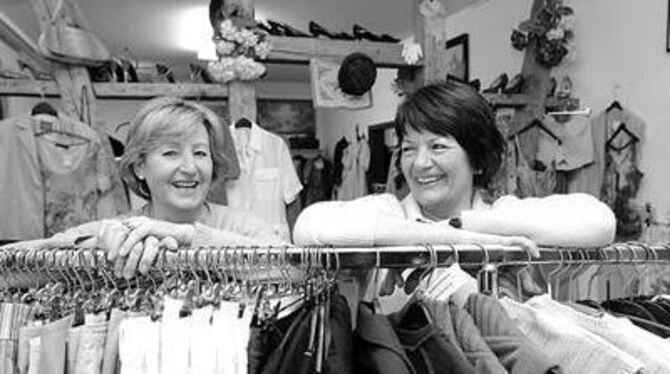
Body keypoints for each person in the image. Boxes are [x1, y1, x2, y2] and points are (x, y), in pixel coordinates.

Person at [293, 80, 615, 296]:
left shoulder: (501, 214)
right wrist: (459, 239)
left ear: (476, 159)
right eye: (408, 149)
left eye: (437, 147)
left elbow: (599, 222)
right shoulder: (389, 211)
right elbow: (309, 227)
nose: (419, 164)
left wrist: (480, 228)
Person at [2, 96, 285, 279]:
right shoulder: (116, 231)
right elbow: (9, 270)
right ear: (139, 165)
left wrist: (188, 236)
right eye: (171, 153)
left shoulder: (243, 226)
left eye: (200, 153)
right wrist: (92, 249)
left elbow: (295, 269)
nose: (190, 167)